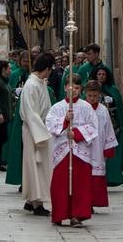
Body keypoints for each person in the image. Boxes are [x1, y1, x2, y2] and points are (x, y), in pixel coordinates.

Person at [45, 73, 98, 227]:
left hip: (80, 152)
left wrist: (77, 134)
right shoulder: (57, 107)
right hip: (62, 151)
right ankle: (59, 213)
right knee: (60, 184)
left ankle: (77, 215)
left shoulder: (86, 107)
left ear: (80, 89)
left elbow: (93, 127)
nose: (73, 90)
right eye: (70, 87)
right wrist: (65, 121)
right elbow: (50, 125)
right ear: (64, 88)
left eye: (76, 87)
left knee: (80, 184)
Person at [19, 53, 54, 216]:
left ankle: (31, 200)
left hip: (40, 128)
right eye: (50, 69)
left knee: (39, 166)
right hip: (35, 131)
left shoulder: (39, 83)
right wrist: (42, 134)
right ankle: (36, 202)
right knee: (35, 165)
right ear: (46, 68)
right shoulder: (31, 85)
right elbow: (31, 113)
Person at [91, 65, 123, 185]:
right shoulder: (91, 88)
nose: (101, 76)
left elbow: (117, 105)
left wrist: (112, 101)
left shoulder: (112, 89)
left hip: (111, 123)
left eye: (103, 74)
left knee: (109, 151)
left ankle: (112, 176)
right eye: (99, 74)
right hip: (94, 125)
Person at [85, 79, 118, 207]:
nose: (92, 99)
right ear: (85, 94)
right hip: (85, 145)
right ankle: (85, 201)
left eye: (95, 96)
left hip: (98, 146)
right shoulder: (82, 108)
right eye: (89, 96)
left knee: (97, 173)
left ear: (99, 95)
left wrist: (108, 147)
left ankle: (94, 201)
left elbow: (108, 128)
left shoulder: (103, 110)